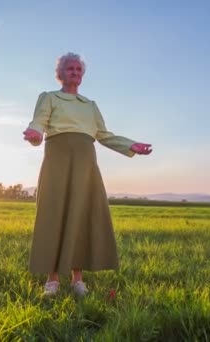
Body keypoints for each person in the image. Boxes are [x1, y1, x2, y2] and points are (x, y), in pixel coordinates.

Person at [23, 52, 152, 297]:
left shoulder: (91, 106)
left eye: (78, 70)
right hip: (57, 159)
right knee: (55, 213)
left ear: (82, 76)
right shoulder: (49, 98)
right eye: (69, 69)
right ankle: (52, 280)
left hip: (85, 162)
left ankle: (77, 279)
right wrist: (35, 135)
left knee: (80, 214)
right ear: (60, 74)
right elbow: (38, 123)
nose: (74, 73)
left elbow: (103, 135)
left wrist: (130, 145)